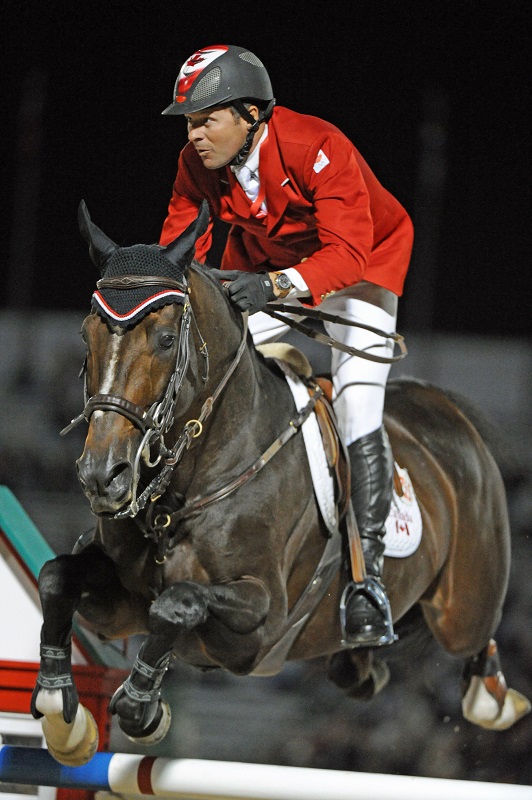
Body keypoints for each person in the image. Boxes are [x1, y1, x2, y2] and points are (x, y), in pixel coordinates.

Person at [159, 44, 414, 648]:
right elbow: (180, 250)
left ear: (250, 114)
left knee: (355, 406)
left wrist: (270, 286)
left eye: (205, 119)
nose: (194, 135)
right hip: (268, 269)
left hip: (360, 271)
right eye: (189, 122)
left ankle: (368, 581)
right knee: (205, 369)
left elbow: (347, 252)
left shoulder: (317, 145)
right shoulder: (197, 163)